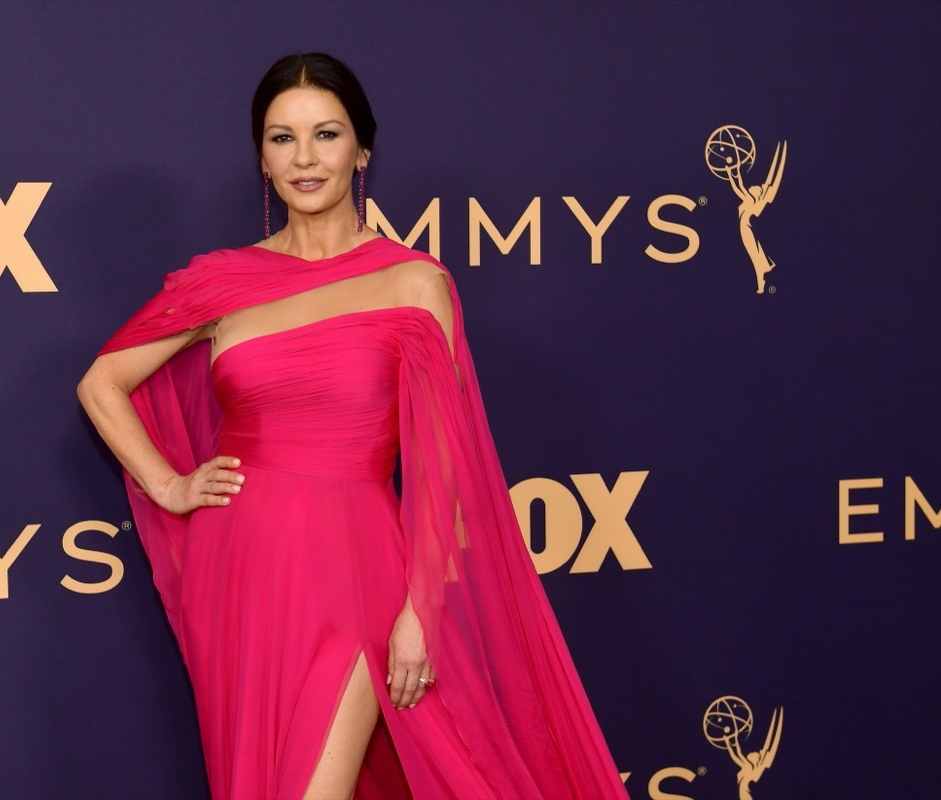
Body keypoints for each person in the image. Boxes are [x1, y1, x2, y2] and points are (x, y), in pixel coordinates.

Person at [78, 53, 626, 800]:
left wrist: (421, 613)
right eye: (281, 139)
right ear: (261, 159)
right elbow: (102, 382)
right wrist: (170, 486)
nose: (304, 159)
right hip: (236, 566)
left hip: (354, 565)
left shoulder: (413, 282)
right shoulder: (223, 282)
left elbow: (440, 468)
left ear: (362, 149)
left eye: (326, 135)